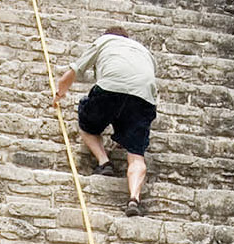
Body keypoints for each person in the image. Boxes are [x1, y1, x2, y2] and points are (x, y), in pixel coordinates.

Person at [53, 27, 157, 212]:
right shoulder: (145, 52)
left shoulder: (104, 41)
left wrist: (59, 93)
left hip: (109, 89)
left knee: (87, 125)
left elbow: (72, 72)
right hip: (143, 98)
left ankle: (104, 162)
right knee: (136, 154)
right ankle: (134, 198)